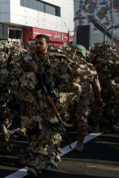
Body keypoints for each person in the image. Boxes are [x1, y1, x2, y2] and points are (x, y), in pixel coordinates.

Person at [11, 34, 82, 177]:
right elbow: (15, 79)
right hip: (33, 106)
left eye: (40, 43)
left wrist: (58, 96)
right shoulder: (27, 60)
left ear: (47, 44)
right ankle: (35, 158)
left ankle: (40, 165)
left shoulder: (57, 61)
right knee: (34, 134)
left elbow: (69, 85)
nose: (37, 46)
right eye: (36, 43)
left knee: (49, 135)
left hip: (51, 106)